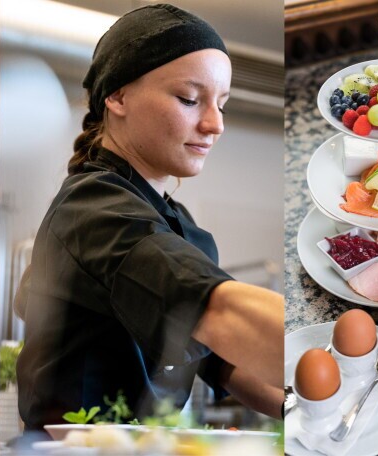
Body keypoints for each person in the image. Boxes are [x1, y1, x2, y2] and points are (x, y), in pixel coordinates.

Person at [15, 4, 284, 431]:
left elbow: (226, 365)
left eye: (223, 105)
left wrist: (304, 403)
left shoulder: (184, 227)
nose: (215, 125)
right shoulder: (92, 208)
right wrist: (316, 352)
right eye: (189, 99)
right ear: (118, 96)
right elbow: (220, 312)